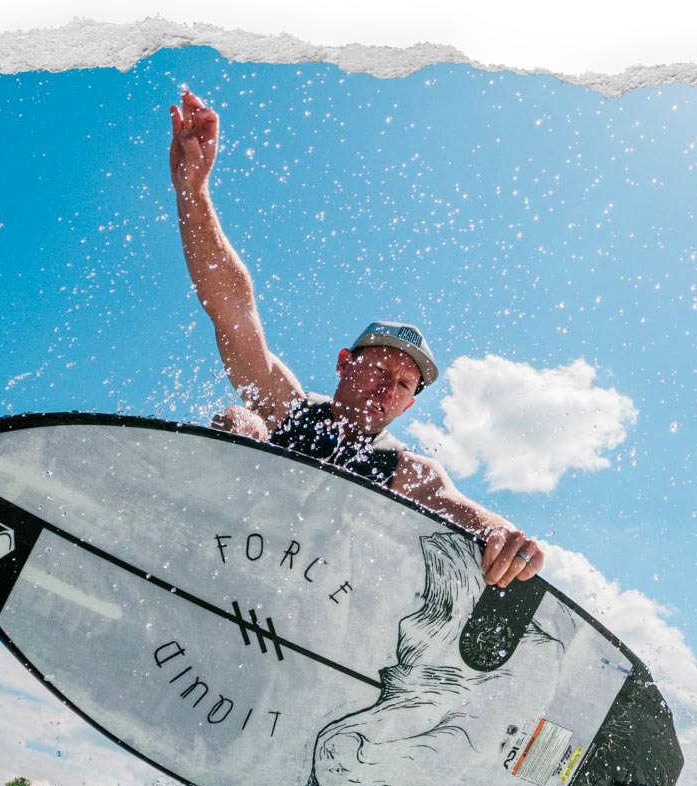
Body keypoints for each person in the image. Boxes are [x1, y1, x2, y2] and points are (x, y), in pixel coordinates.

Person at [169, 89, 545, 590]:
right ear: (345, 363)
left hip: (323, 602)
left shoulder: (405, 471)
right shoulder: (288, 406)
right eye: (383, 370)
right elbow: (233, 309)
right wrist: (193, 191)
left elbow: (462, 509)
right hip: (225, 562)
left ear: (409, 407)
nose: (391, 389)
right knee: (242, 420)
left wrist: (505, 538)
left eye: (405, 386)